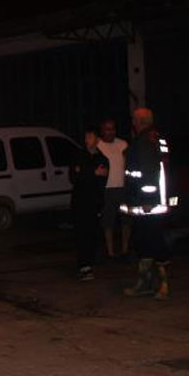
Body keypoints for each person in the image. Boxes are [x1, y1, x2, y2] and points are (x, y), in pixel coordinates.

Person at [120, 108, 172, 300]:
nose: (132, 123)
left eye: (134, 119)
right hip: (144, 203)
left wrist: (148, 200)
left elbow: (149, 173)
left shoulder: (146, 142)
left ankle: (162, 284)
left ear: (140, 121)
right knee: (143, 242)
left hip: (148, 205)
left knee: (154, 242)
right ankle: (146, 283)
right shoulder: (155, 138)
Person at [70, 129, 109, 281]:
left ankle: (90, 263)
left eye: (90, 136)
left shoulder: (102, 158)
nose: (87, 139)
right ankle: (83, 266)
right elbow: (74, 177)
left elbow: (102, 178)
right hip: (80, 202)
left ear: (97, 139)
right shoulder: (78, 155)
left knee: (92, 234)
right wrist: (92, 173)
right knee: (81, 234)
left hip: (95, 203)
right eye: (85, 136)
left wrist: (85, 173)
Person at [96, 119, 131, 260]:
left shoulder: (122, 144)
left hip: (122, 187)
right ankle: (110, 251)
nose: (110, 132)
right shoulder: (99, 145)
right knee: (108, 221)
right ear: (102, 130)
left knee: (126, 220)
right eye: (107, 129)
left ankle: (125, 249)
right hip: (107, 189)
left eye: (112, 129)